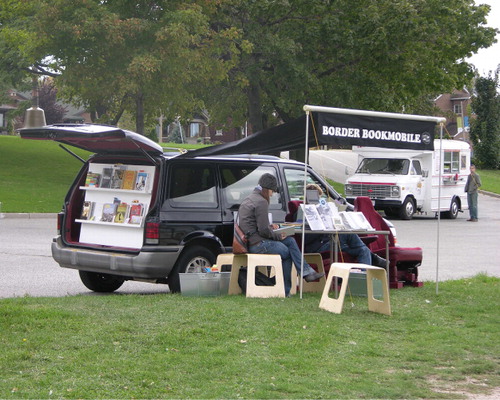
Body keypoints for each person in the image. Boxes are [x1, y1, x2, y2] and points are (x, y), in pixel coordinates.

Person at [238, 173, 325, 297]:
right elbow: (263, 231)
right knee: (287, 252)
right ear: (267, 189)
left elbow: (257, 226)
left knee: (290, 242)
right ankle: (285, 290)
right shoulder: (261, 202)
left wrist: (271, 227)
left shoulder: (250, 198)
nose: (272, 194)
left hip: (251, 241)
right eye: (272, 191)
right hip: (258, 244)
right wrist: (278, 236)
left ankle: (307, 272)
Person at [301, 184, 387, 267]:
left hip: (332, 241)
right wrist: (320, 227)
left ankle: (364, 279)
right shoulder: (302, 212)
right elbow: (303, 237)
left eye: (319, 196)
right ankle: (374, 257)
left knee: (363, 250)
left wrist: (332, 218)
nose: (317, 199)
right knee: (347, 234)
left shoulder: (322, 208)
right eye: (315, 196)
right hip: (318, 246)